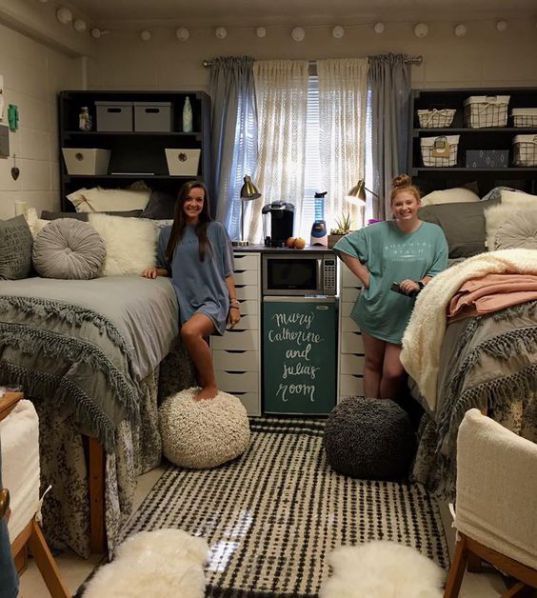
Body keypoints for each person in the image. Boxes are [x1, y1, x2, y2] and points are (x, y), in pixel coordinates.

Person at [334, 174, 448, 400]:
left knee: (393, 372)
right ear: (392, 208)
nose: (404, 208)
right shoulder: (378, 232)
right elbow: (343, 245)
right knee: (372, 364)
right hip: (376, 307)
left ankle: (383, 418)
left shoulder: (434, 234)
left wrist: (419, 283)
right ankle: (370, 414)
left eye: (409, 203)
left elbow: (437, 271)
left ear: (418, 204)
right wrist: (366, 278)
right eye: (398, 204)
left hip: (407, 313)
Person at [142, 181, 240, 401]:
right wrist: (154, 271)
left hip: (213, 299)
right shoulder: (168, 234)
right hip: (186, 301)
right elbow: (169, 268)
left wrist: (234, 304)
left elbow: (227, 272)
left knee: (189, 332)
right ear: (181, 202)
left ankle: (211, 386)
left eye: (199, 199)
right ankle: (200, 393)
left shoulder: (215, 230)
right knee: (195, 341)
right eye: (189, 199)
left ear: (204, 204)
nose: (194, 204)